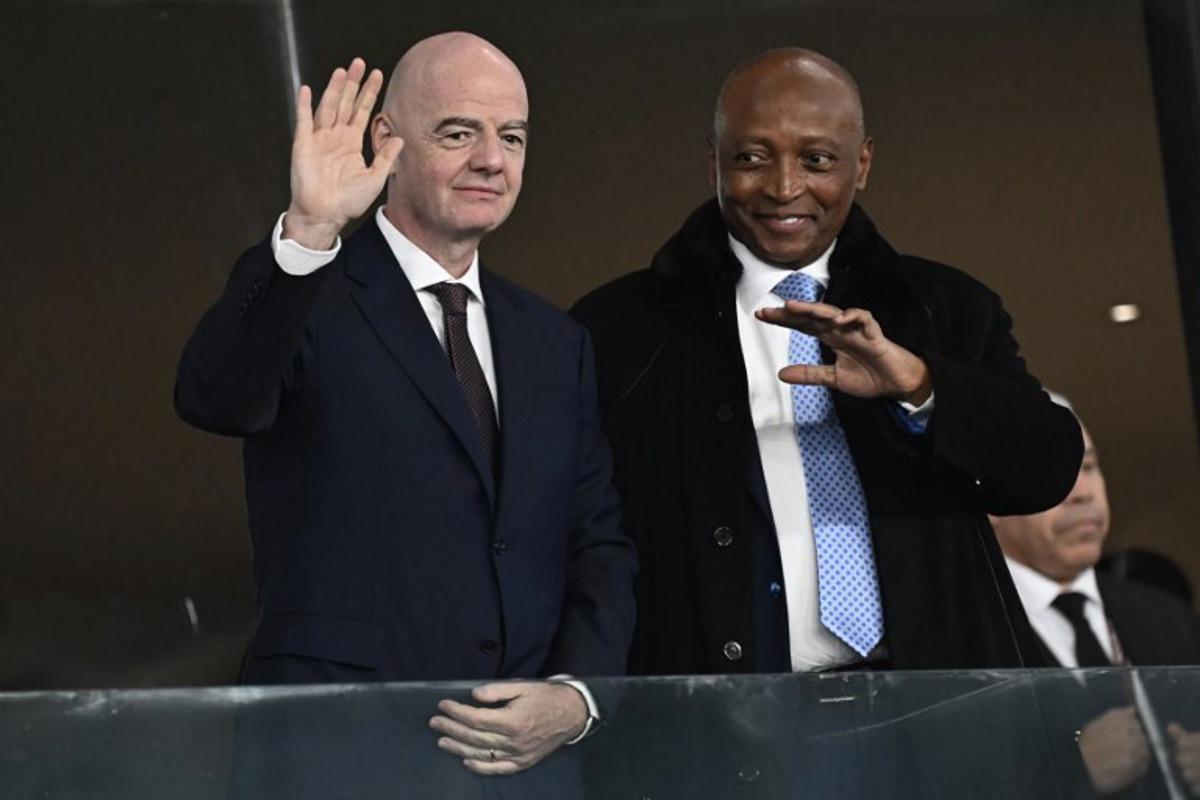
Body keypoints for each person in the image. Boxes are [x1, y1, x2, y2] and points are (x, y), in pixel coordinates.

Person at [175, 32, 636, 779]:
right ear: (386, 141)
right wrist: (310, 231)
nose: (491, 158)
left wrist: (578, 696)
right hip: (340, 760)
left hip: (524, 770)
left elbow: (598, 544)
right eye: (459, 133)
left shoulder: (556, 341)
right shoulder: (307, 292)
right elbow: (212, 397)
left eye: (511, 136)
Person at [571, 47, 1083, 675]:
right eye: (751, 158)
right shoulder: (615, 328)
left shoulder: (948, 307)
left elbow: (1046, 469)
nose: (785, 189)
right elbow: (580, 541)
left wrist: (923, 388)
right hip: (724, 729)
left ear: (862, 163)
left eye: (817, 160)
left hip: (935, 720)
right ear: (713, 161)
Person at [993, 415, 1200, 796]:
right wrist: (1075, 772)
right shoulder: (974, 637)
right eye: (1052, 477)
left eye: (1087, 467)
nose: (1081, 492)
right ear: (992, 508)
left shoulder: (1165, 614)